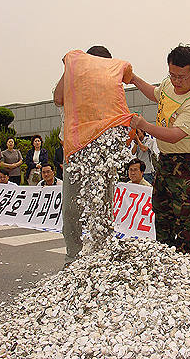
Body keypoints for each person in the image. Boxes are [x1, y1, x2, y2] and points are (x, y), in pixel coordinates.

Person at [53, 45, 133, 267]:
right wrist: (69, 68)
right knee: (71, 206)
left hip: (102, 156)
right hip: (75, 152)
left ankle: (103, 254)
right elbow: (59, 98)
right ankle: (73, 256)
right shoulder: (73, 79)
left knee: (102, 205)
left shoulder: (108, 85)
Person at [129, 44, 190, 253]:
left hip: (185, 162)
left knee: (183, 216)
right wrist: (135, 79)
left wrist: (145, 126)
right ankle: (163, 255)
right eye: (172, 74)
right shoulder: (168, 84)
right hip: (164, 159)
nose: (176, 81)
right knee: (161, 209)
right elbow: (156, 94)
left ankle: (185, 260)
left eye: (182, 77)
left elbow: (175, 135)